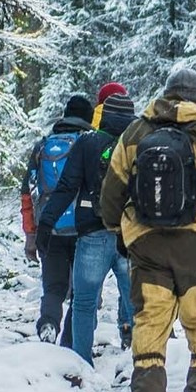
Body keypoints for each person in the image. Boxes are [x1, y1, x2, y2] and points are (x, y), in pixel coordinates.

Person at [98, 67, 196, 392]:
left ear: (166, 94)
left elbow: (112, 190)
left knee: (151, 318)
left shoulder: (135, 132)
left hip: (147, 245)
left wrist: (119, 230)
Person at [45, 81, 135, 365]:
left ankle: (81, 364)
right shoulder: (139, 143)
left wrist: (47, 222)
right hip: (131, 236)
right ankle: (141, 363)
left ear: (102, 114)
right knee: (137, 305)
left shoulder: (87, 143)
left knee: (83, 304)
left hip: (92, 234)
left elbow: (67, 186)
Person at [20, 94, 94, 343]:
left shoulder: (42, 146)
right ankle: (71, 341)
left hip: (49, 227)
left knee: (53, 287)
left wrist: (31, 232)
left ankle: (49, 324)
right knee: (81, 293)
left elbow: (27, 192)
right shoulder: (88, 143)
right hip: (83, 228)